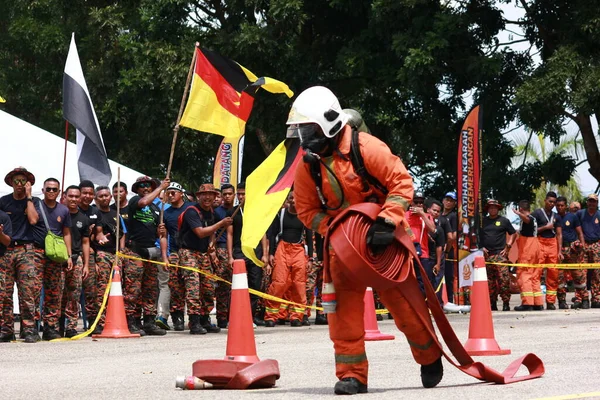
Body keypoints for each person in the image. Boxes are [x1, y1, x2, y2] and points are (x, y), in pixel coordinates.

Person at [290, 86, 443, 394]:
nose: (306, 139)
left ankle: (429, 356)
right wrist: (336, 231)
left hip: (384, 242)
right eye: (302, 132)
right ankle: (352, 376)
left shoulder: (366, 147)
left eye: (311, 131)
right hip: (342, 251)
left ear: (330, 123)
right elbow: (307, 211)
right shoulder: (309, 165)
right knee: (342, 316)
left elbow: (400, 182)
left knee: (406, 307)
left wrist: (386, 222)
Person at [178, 184, 232, 334]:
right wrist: (221, 224)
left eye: (211, 194)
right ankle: (194, 322)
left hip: (203, 253)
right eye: (204, 194)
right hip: (188, 252)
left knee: (208, 287)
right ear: (198, 196)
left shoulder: (212, 213)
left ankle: (205, 319)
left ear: (215, 197)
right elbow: (201, 232)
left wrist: (211, 246)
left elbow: (211, 233)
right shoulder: (191, 212)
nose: (207, 197)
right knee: (193, 286)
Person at [123, 176, 169, 336]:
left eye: (148, 186)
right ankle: (131, 321)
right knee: (133, 289)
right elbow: (143, 202)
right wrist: (161, 188)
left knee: (151, 289)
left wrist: (164, 257)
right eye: (142, 186)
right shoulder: (135, 201)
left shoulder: (156, 209)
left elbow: (162, 236)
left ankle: (149, 321)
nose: (145, 188)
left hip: (151, 253)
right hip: (135, 252)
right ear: (137, 189)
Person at [0, 167, 40, 343]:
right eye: (16, 181)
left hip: (26, 249)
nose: (19, 184)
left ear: (28, 183)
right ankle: (7, 329)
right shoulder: (3, 202)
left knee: (27, 292)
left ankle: (29, 329)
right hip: (6, 250)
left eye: (22, 181)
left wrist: (29, 197)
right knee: (5, 292)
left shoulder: (33, 201)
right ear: (11, 183)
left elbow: (33, 220)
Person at [31, 178, 73, 340]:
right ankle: (32, 327)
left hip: (55, 255)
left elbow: (67, 233)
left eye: (54, 189)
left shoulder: (63, 210)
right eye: (48, 189)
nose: (51, 192)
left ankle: (50, 327)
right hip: (36, 252)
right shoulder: (35, 205)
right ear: (42, 190)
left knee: (54, 292)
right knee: (33, 291)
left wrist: (68, 256)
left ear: (59, 191)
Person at [264, 191, 313, 327]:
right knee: (279, 283)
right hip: (282, 249)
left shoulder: (304, 215)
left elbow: (309, 237)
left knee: (299, 284)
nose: (293, 201)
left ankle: (296, 316)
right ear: (288, 199)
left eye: (297, 198)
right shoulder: (281, 214)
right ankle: (271, 316)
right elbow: (272, 234)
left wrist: (310, 259)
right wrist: (271, 254)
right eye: (291, 198)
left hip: (298, 250)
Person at [226, 182, 270, 326]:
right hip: (239, 253)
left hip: (255, 253)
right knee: (238, 286)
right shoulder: (233, 211)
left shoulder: (257, 211)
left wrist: (264, 254)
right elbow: (230, 234)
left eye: (243, 193)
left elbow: (263, 233)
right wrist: (230, 256)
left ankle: (249, 318)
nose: (240, 196)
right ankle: (233, 318)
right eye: (238, 194)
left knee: (254, 286)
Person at [93, 186, 126, 330]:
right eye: (101, 196)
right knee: (102, 288)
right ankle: (100, 322)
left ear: (111, 197)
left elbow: (122, 234)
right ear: (96, 199)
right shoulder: (95, 213)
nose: (104, 198)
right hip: (102, 254)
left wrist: (121, 251)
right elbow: (97, 232)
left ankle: (115, 319)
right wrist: (100, 238)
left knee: (117, 288)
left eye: (107, 195)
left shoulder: (115, 213)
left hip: (116, 255)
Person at [163, 182, 193, 331]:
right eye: (168, 192)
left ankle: (197, 318)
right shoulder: (166, 213)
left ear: (181, 193)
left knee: (193, 286)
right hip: (174, 253)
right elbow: (163, 236)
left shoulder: (190, 208)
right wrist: (165, 257)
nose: (170, 194)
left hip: (192, 251)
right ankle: (177, 317)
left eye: (174, 192)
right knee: (175, 286)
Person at [61, 185, 90, 337]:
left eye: (76, 197)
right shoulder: (58, 212)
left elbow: (86, 242)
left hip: (76, 259)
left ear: (80, 199)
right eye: (70, 196)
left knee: (74, 294)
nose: (73, 199)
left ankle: (71, 326)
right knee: (57, 294)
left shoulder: (83, 218)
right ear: (64, 196)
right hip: (58, 259)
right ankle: (55, 325)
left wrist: (86, 264)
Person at [479, 199, 516, 311]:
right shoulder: (483, 221)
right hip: (487, 256)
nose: (493, 209)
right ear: (488, 209)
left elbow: (513, 233)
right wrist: (481, 247)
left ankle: (506, 303)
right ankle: (492, 303)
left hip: (500, 254)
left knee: (504, 280)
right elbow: (477, 236)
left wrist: (508, 246)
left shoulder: (504, 221)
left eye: (495, 207)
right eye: (490, 207)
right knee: (490, 282)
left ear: (498, 209)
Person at [555, 196, 587, 309]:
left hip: (572, 250)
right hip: (559, 250)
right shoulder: (555, 218)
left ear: (566, 206)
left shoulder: (572, 217)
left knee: (578, 275)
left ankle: (584, 299)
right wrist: (559, 251)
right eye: (558, 205)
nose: (560, 207)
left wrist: (582, 246)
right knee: (560, 277)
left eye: (562, 205)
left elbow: (580, 233)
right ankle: (562, 301)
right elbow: (557, 235)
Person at [531, 192, 561, 310]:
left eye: (554, 202)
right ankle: (538, 302)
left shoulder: (556, 216)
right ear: (545, 201)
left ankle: (550, 302)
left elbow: (559, 234)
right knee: (537, 273)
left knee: (553, 273)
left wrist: (559, 250)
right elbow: (531, 230)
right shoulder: (537, 213)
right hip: (540, 242)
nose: (552, 204)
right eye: (550, 201)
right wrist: (545, 227)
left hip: (552, 243)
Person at [78, 180, 101, 329]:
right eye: (84, 193)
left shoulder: (95, 212)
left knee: (91, 291)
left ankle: (93, 324)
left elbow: (97, 237)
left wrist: (97, 261)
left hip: (90, 254)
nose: (87, 196)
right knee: (70, 292)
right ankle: (65, 326)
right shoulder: (71, 209)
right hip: (73, 253)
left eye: (90, 193)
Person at [213, 183, 236, 328]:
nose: (227, 196)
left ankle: (234, 315)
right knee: (222, 285)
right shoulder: (216, 212)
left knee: (237, 286)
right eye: (224, 194)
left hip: (237, 250)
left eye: (230, 194)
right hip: (221, 249)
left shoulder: (238, 211)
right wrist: (214, 252)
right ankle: (222, 317)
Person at [513, 200, 543, 311]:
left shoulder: (528, 219)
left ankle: (527, 303)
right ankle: (537, 303)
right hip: (535, 247)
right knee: (534, 276)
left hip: (528, 248)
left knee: (524, 275)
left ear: (521, 209)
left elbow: (527, 219)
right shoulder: (534, 218)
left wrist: (519, 214)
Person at [576, 194, 600, 308]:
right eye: (590, 201)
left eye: (594, 201)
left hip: (596, 244)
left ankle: (596, 298)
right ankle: (582, 298)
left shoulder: (599, 214)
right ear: (587, 202)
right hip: (583, 245)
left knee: (597, 273)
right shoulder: (580, 214)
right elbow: (575, 227)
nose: (592, 203)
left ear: (597, 203)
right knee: (581, 273)